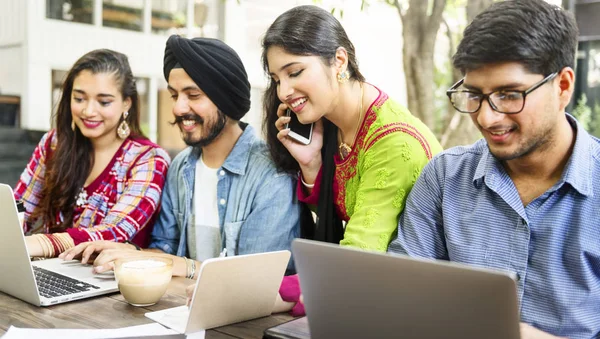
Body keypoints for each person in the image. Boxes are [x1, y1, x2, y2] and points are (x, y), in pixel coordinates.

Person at [388, 1, 599, 338]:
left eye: (509, 94)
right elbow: (402, 299)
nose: (487, 118)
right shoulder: (443, 178)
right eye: (474, 94)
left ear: (563, 86)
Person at [60, 35, 302, 281]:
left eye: (193, 95)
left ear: (226, 99)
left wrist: (185, 266)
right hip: (181, 310)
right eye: (175, 95)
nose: (177, 108)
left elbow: (255, 278)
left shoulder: (272, 174)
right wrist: (130, 252)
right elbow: (164, 251)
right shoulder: (181, 166)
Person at [263, 5, 442, 315]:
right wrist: (311, 166)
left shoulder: (393, 143)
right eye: (277, 79)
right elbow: (351, 213)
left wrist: (256, 292)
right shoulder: (333, 124)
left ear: (339, 61)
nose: (284, 91)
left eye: (295, 72)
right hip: (367, 296)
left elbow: (353, 264)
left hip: (411, 306)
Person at [14, 49, 170, 258]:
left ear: (126, 103)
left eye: (103, 102)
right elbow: (20, 211)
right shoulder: (54, 143)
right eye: (79, 98)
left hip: (112, 281)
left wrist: (38, 243)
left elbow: (113, 231)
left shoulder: (148, 160)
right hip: (52, 270)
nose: (88, 111)